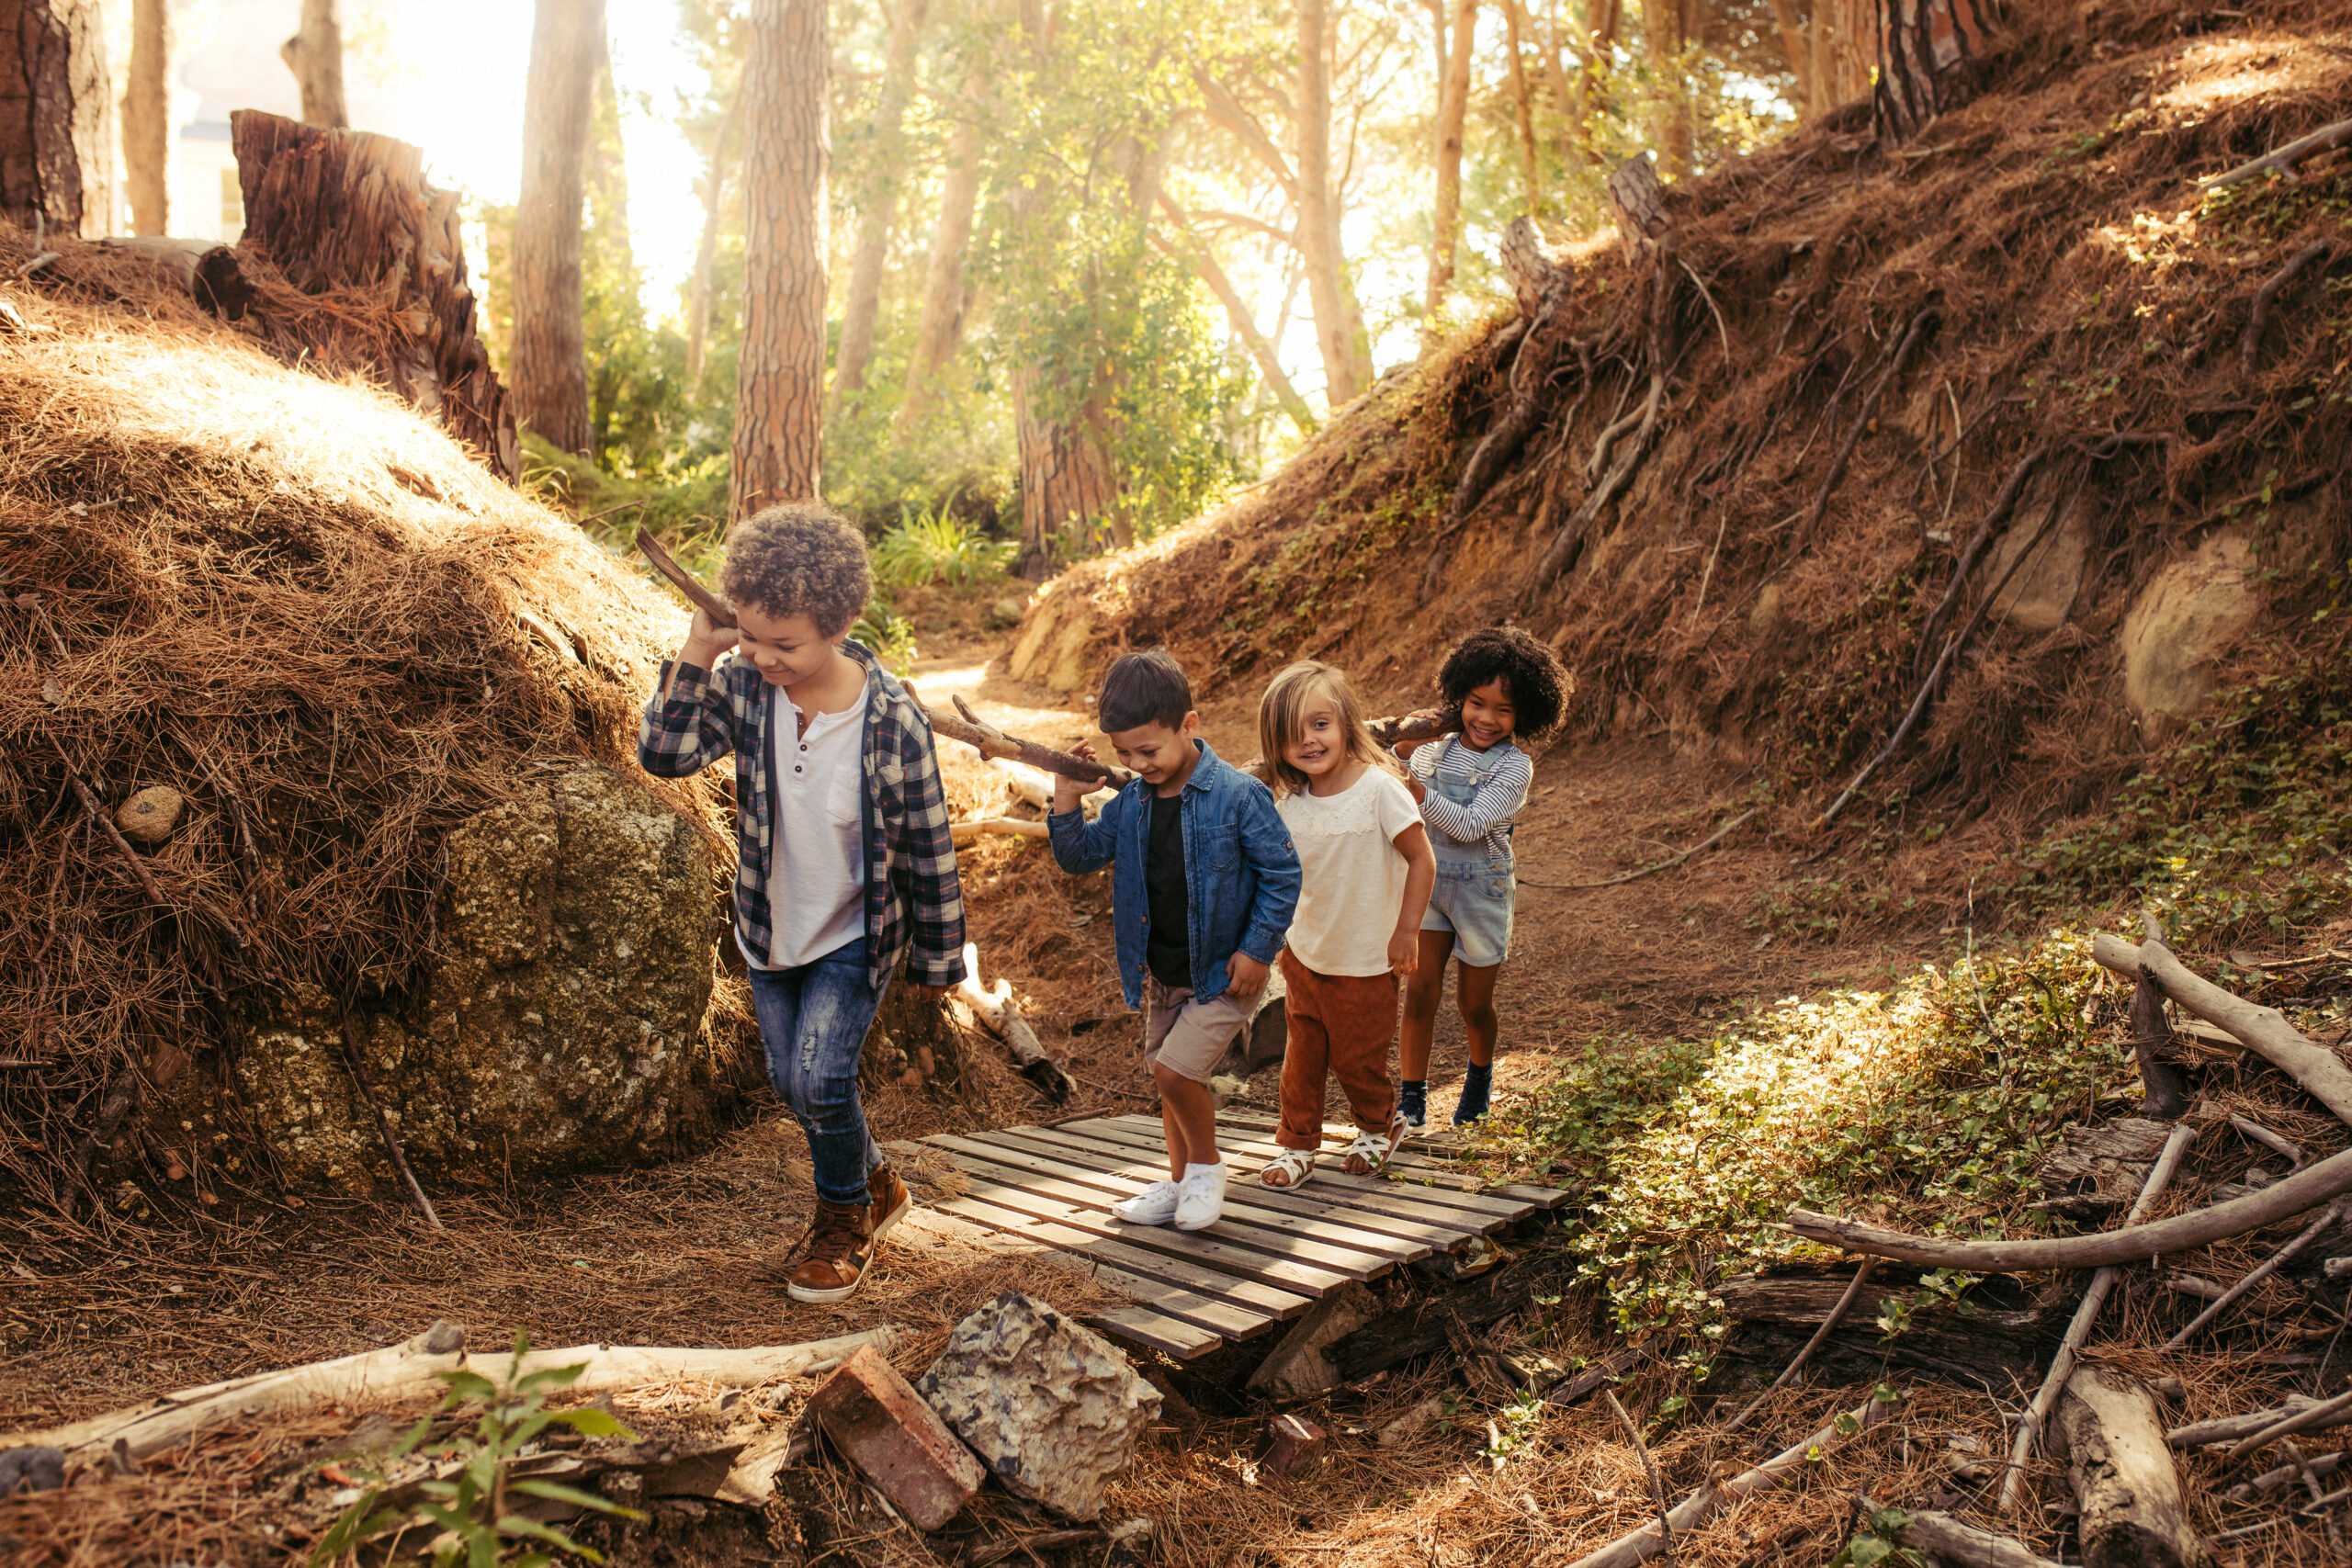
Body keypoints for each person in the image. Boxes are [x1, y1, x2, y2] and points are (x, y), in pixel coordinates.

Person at [638, 502, 965, 1303]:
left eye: (785, 644)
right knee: (794, 1081)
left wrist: (939, 957)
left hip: (857, 932)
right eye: (752, 637)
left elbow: (928, 842)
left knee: (820, 1078)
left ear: (839, 623)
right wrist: (701, 651)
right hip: (770, 924)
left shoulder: (891, 720)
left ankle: (842, 1221)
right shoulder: (747, 689)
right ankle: (878, 1179)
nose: (765, 656)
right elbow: (665, 752)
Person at [1046, 649, 1300, 1231]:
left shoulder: (1238, 796)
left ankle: (1208, 1169)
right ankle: (1181, 1180)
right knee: (1168, 1077)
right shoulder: (1131, 804)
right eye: (1123, 754)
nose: (1137, 764)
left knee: (1175, 1073)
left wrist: (1258, 950)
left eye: (1149, 750)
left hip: (1224, 972)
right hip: (1162, 976)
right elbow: (1079, 855)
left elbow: (1282, 875)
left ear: (1190, 725)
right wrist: (1066, 795)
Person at [1251, 661, 1435, 1190]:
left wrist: (1407, 931)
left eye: (1319, 724)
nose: (1307, 741)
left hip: (1367, 957)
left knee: (1358, 1057)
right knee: (1301, 1057)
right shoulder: (1288, 802)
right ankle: (1296, 1143)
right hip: (1306, 954)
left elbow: (1422, 860)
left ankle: (1380, 1124)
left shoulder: (1379, 789)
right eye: (1291, 733)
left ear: (1346, 722)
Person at [1396, 626, 1571, 1128]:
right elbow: (1386, 769)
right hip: (1427, 880)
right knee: (1420, 993)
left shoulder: (1516, 768)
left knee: (1474, 1005)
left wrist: (1413, 785)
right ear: (1458, 699)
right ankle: (1412, 1097)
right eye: (1477, 703)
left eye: (1504, 709)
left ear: (1525, 715)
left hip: (1482, 890)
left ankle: (1478, 1077)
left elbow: (1470, 824)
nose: (1487, 719)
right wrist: (1404, 743)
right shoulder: (1432, 749)